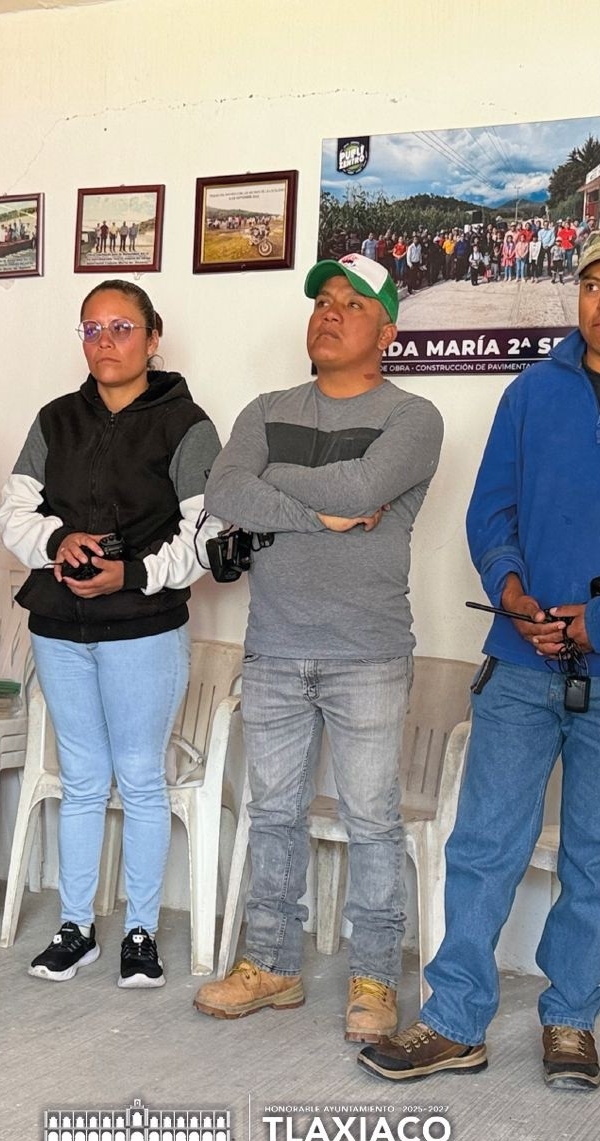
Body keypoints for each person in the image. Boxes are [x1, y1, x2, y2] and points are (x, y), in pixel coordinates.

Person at [358, 226, 600, 1088]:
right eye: (594, 282)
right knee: (484, 844)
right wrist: (513, 592)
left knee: (597, 855)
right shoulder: (532, 392)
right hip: (520, 659)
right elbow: (490, 512)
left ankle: (570, 1019)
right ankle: (454, 1020)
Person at [193, 253, 443, 1045]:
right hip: (273, 645)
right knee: (272, 814)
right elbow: (224, 489)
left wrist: (282, 486)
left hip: (367, 652)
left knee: (372, 821)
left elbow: (360, 490)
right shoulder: (267, 408)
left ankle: (375, 977)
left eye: (352, 304)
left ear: (388, 332)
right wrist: (322, 514)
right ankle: (270, 965)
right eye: (323, 300)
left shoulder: (413, 417)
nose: (330, 312)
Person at [0, 280, 222, 987]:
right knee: (83, 779)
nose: (104, 342)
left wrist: (131, 575)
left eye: (121, 328)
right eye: (91, 329)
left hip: (143, 627)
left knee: (141, 778)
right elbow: (13, 512)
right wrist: (57, 541)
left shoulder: (186, 425)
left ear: (153, 337)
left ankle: (140, 933)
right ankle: (76, 928)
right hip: (58, 628)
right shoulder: (56, 419)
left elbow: (207, 534)